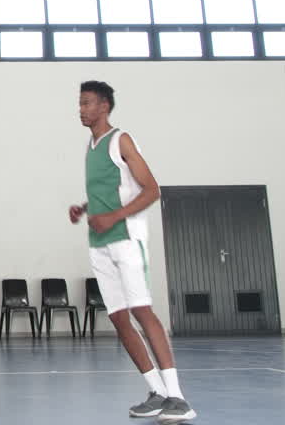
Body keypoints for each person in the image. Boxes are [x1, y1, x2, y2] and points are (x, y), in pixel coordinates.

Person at [68, 81, 197, 424]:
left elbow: (151, 189)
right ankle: (155, 391)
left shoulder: (120, 140)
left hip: (126, 239)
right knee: (119, 318)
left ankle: (178, 397)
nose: (81, 109)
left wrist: (112, 216)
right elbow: (111, 191)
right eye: (79, 103)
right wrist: (85, 208)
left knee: (142, 311)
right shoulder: (90, 146)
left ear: (104, 107)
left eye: (87, 103)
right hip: (100, 245)